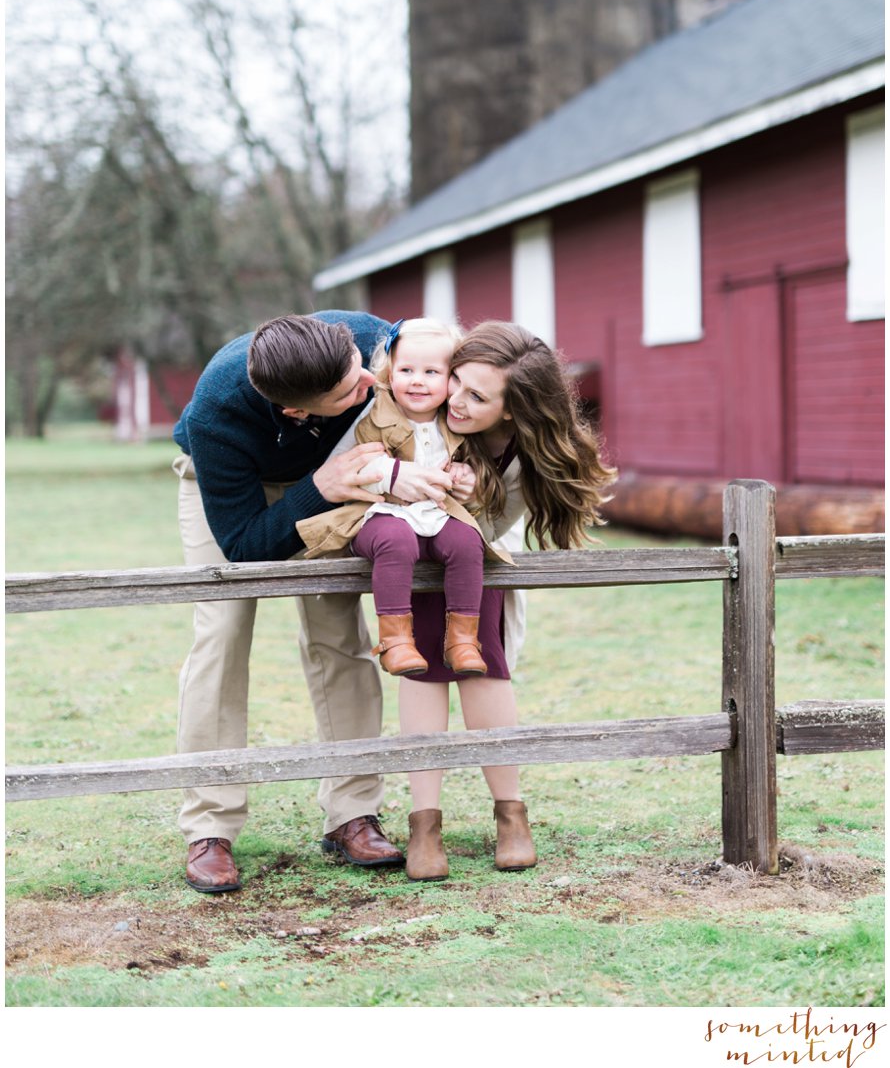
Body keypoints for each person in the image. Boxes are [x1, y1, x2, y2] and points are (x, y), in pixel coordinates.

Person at [173, 310, 454, 894]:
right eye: (351, 389)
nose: (370, 383)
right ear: (299, 411)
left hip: (347, 475)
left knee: (339, 631)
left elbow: (438, 365)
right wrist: (318, 488)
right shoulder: (216, 413)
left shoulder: (369, 342)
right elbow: (245, 547)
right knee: (221, 635)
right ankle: (210, 825)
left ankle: (352, 811)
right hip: (233, 491)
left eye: (360, 367)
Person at [397, 320, 617, 883]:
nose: (457, 401)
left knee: (483, 668)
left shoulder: (525, 454)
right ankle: (424, 822)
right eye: (458, 383)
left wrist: (480, 499)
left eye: (478, 396)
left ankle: (510, 812)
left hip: (478, 563)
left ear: (514, 411)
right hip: (410, 556)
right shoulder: (419, 410)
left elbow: (499, 530)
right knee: (422, 671)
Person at [296, 317, 513, 679]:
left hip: (437, 513)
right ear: (388, 372)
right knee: (394, 540)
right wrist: (387, 474)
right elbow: (350, 467)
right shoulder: (373, 414)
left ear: (452, 379)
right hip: (380, 512)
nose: (417, 380)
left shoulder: (456, 419)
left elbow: (474, 464)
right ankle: (395, 640)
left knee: (466, 541)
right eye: (406, 369)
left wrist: (465, 475)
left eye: (431, 372)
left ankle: (462, 640)